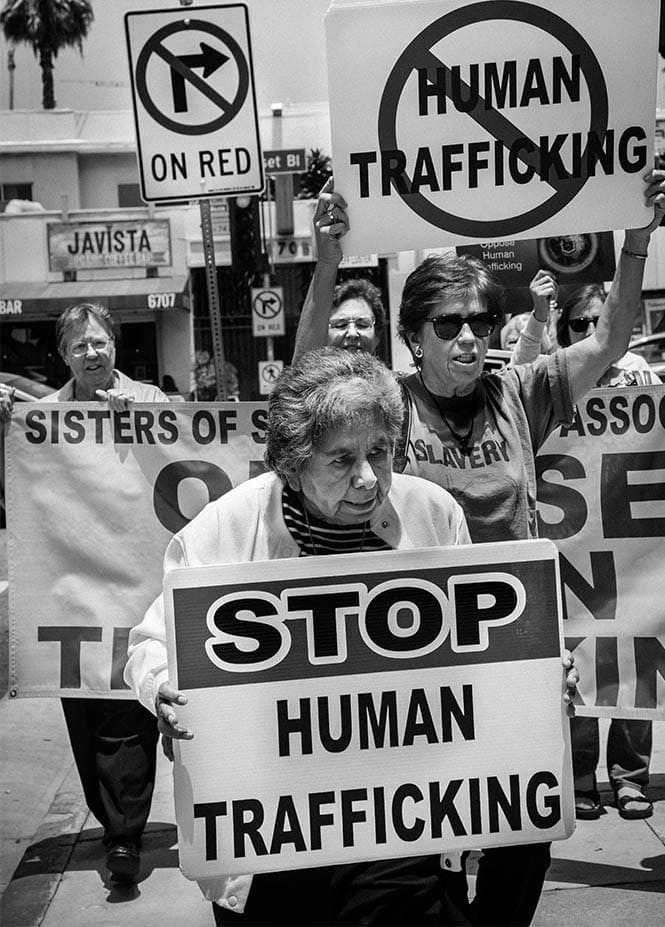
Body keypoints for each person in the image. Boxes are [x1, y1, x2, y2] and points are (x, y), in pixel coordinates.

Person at [291, 169, 665, 923]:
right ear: (412, 337)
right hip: (404, 650)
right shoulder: (383, 401)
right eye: (447, 323)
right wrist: (327, 261)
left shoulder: (522, 389)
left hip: (511, 642)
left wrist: (636, 240)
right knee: (419, 831)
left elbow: (610, 338)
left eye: (480, 322)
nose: (469, 336)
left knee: (523, 829)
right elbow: (303, 377)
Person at [124, 346, 579, 925]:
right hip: (274, 836)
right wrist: (162, 687)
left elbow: (480, 651)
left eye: (380, 453)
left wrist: (536, 673)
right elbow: (152, 642)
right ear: (292, 463)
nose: (368, 479)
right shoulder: (225, 528)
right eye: (341, 460)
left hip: (405, 821)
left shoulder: (433, 513)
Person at [1, 302, 167, 884]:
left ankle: (124, 835)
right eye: (79, 347)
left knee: (127, 710)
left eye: (99, 343)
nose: (91, 354)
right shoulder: (43, 415)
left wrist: (140, 428)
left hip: (137, 583)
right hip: (75, 588)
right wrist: (7, 431)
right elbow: (22, 493)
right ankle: (114, 820)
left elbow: (183, 474)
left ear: (115, 347)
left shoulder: (150, 402)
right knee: (86, 702)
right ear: (63, 355)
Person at [293, 179, 386, 360]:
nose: (352, 333)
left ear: (378, 336)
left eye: (363, 324)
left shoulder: (395, 387)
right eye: (340, 324)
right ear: (323, 336)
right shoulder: (316, 387)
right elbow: (302, 368)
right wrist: (327, 262)